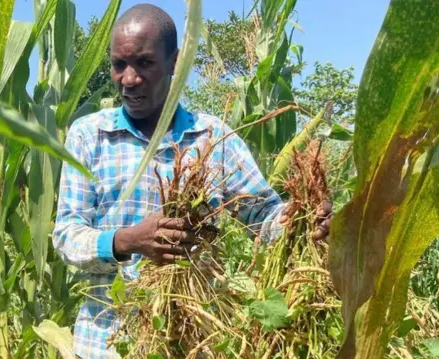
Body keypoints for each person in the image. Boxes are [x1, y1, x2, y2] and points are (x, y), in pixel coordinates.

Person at [52, 4, 332, 358]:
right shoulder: (89, 135)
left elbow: (263, 216)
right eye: (118, 64)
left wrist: (305, 220)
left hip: (191, 339)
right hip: (106, 344)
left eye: (144, 63)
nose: (128, 78)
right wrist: (128, 240)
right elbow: (66, 237)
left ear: (175, 62)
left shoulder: (211, 137)